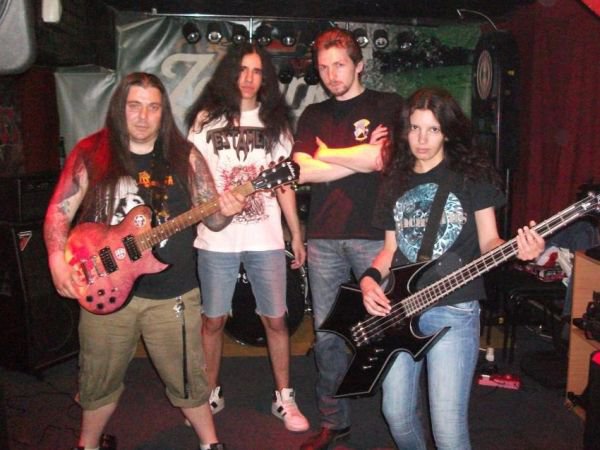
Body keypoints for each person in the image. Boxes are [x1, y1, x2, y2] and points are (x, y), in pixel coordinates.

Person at [44, 72, 245, 450]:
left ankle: (210, 444)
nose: (142, 116)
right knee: (97, 382)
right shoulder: (91, 151)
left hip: (173, 293)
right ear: (119, 108)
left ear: (163, 112)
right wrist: (57, 258)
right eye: (134, 106)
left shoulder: (185, 155)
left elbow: (215, 219)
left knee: (188, 379)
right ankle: (87, 445)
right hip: (103, 286)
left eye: (153, 108)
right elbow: (59, 210)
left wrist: (230, 208)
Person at [359, 87, 545, 449]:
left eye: (432, 129)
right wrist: (368, 281)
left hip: (454, 309)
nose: (422, 139)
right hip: (400, 309)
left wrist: (519, 250)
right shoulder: (395, 180)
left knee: (447, 428)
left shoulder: (471, 176)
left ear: (447, 132)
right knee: (396, 414)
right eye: (415, 128)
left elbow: (490, 241)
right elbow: (390, 250)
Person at [186, 42, 309, 432]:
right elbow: (195, 180)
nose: (249, 78)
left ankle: (284, 397)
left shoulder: (276, 123)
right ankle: (209, 393)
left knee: (276, 320)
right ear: (229, 72)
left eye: (257, 71)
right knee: (212, 321)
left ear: (266, 78)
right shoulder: (205, 120)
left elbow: (284, 183)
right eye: (242, 69)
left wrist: (295, 234)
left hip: (265, 238)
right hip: (215, 240)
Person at [291, 27, 405, 449]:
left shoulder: (387, 105)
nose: (331, 75)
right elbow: (302, 171)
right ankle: (334, 422)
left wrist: (326, 154)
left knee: (386, 328)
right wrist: (358, 158)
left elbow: (382, 158)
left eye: (339, 65)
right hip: (323, 237)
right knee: (328, 337)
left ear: (358, 65)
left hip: (376, 235)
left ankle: (399, 414)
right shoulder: (313, 114)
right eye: (324, 67)